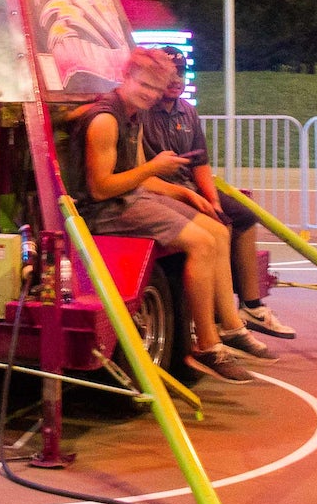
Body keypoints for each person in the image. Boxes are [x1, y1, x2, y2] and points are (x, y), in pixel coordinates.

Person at [66, 48, 274, 382]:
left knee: (219, 230)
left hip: (130, 197)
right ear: (126, 76)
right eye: (144, 85)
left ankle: (232, 328)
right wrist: (155, 166)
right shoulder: (107, 119)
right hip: (103, 212)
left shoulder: (133, 113)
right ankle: (207, 344)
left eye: (155, 88)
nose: (149, 94)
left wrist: (185, 192)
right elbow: (101, 189)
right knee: (202, 244)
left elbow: (139, 175)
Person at [140, 66, 294, 339]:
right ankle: (215, 319)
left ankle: (250, 306)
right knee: (213, 228)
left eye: (181, 74)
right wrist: (194, 198)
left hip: (188, 187)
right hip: (161, 191)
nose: (176, 81)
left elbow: (200, 162)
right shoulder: (142, 112)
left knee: (242, 216)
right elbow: (139, 175)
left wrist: (213, 198)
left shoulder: (187, 111)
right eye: (170, 76)